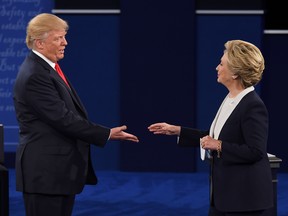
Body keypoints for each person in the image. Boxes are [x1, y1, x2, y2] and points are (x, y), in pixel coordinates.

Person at [13, 13, 139, 216]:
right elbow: (63, 119)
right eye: (58, 38)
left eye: (64, 37)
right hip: (45, 174)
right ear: (40, 43)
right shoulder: (35, 75)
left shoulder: (47, 69)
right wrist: (106, 133)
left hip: (56, 173)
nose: (65, 42)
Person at [148, 40, 274, 216]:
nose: (217, 67)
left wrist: (220, 145)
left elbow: (255, 151)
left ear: (236, 73)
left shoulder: (252, 105)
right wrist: (177, 130)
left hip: (244, 201)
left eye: (222, 64)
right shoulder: (232, 99)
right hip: (225, 197)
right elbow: (216, 136)